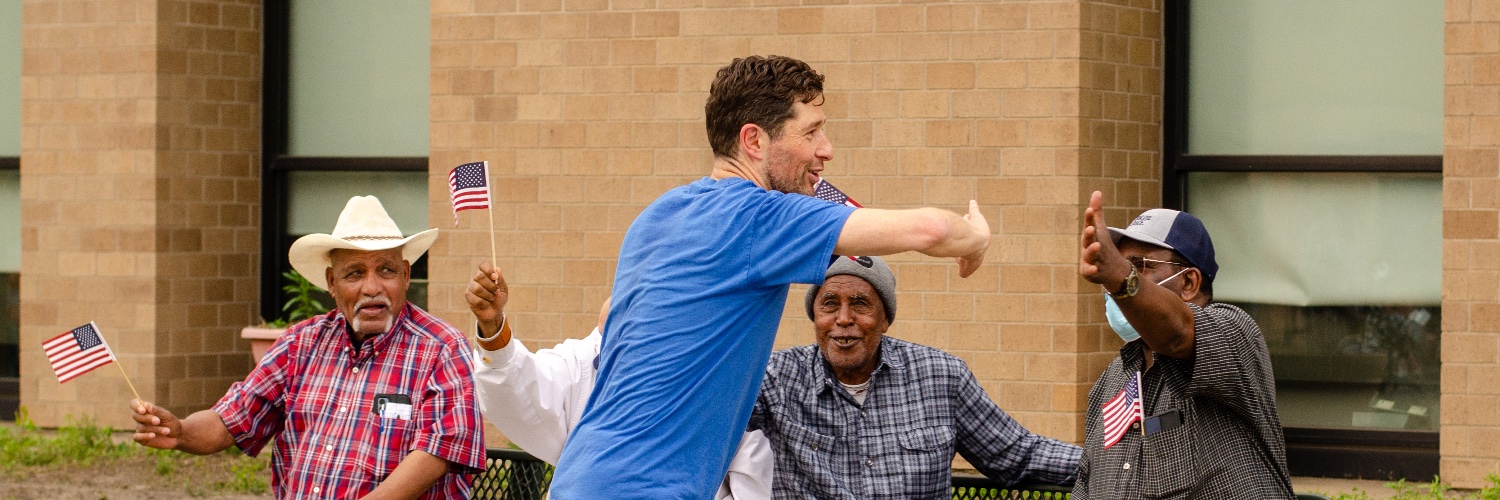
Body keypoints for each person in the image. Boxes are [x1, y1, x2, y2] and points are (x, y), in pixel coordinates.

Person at [549, 54, 992, 499]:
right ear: (754, 140)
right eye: (811, 132)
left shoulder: (658, 215)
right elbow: (932, 230)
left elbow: (613, 315)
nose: (827, 149)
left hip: (579, 475)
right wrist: (975, 240)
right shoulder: (759, 217)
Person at [129, 196, 486, 499]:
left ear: (406, 275)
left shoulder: (442, 349)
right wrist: (181, 432)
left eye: (386, 270)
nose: (372, 287)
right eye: (355, 273)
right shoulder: (300, 343)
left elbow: (437, 453)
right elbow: (231, 420)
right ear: (331, 282)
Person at [750, 256, 1081, 499]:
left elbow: (1019, 454)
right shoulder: (775, 378)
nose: (844, 318)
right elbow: (717, 415)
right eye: (830, 304)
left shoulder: (940, 376)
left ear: (885, 319)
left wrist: (1109, 463)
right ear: (815, 316)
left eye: (860, 304)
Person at [465, 262, 774, 499]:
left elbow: (749, 484)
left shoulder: (723, 379)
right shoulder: (587, 359)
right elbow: (522, 390)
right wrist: (493, 329)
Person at [1073, 191, 1292, 498]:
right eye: (1120, 263)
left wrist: (1120, 275)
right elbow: (1086, 482)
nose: (1115, 286)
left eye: (1139, 266)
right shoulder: (1111, 381)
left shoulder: (1235, 333)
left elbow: (1177, 334)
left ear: (1189, 283)